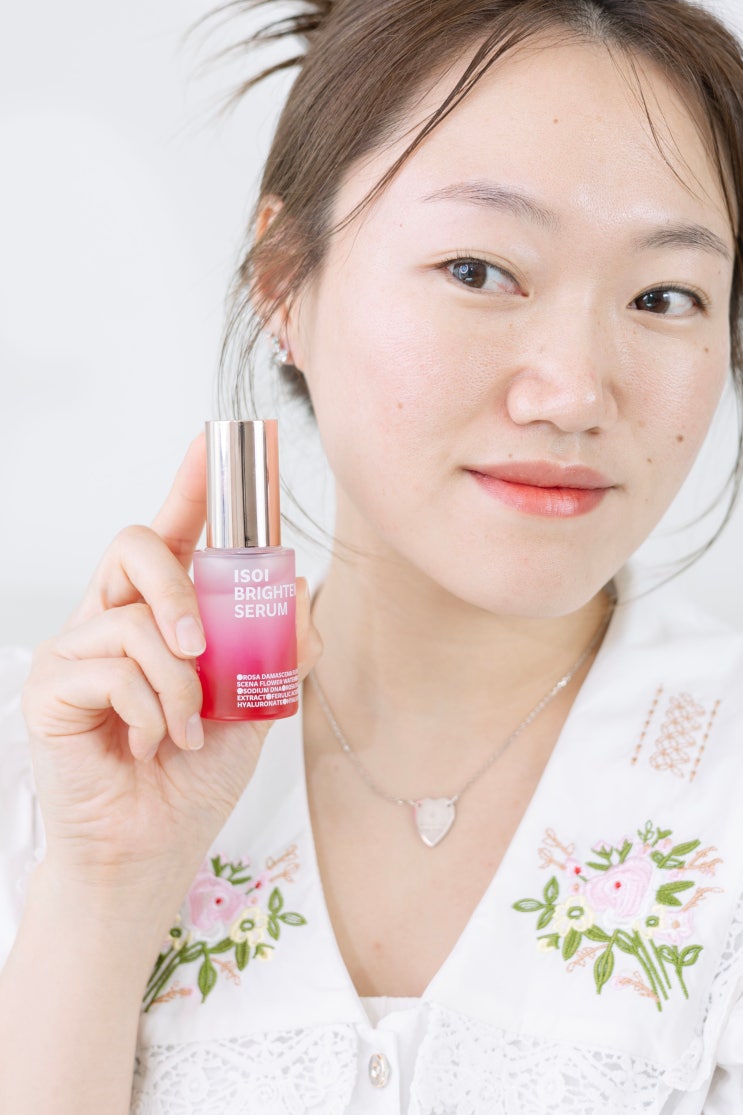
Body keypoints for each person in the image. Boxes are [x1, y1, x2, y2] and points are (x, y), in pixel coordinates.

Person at [2, 0, 743, 1110]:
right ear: (282, 279)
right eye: (477, 270)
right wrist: (104, 890)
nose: (572, 392)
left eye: (662, 295)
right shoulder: (56, 776)